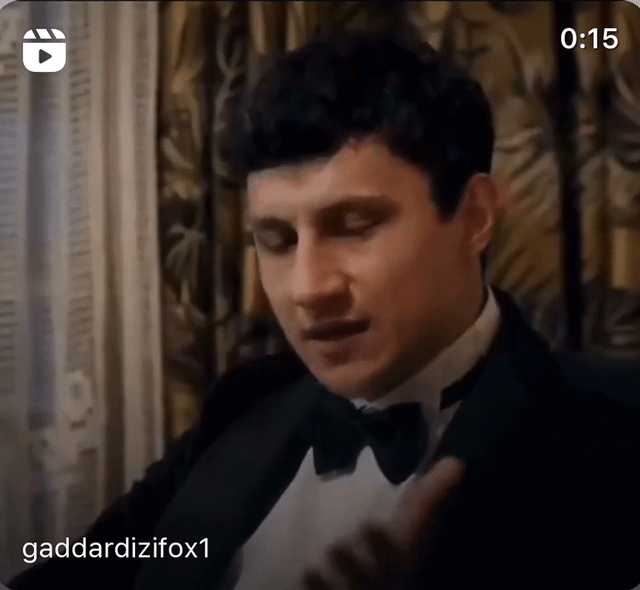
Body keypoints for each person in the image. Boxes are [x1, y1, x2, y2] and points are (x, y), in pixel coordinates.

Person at [8, 30, 640, 590]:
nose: (309, 289)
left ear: (474, 217)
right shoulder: (244, 403)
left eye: (355, 226)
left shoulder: (618, 431)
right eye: (277, 241)